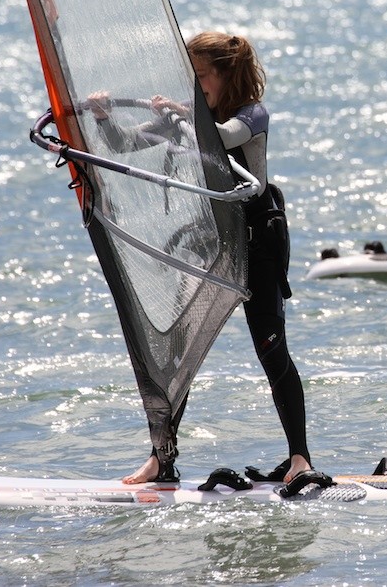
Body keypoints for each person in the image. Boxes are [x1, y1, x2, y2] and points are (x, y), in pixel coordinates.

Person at [118, 32, 312, 485]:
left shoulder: (252, 115)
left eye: (202, 75)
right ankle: (161, 458)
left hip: (259, 240)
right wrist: (106, 117)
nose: (195, 82)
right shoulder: (191, 118)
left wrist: (186, 116)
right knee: (179, 350)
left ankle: (300, 457)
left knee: (270, 345)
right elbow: (125, 144)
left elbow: (223, 137)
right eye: (192, 75)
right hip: (218, 240)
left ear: (226, 75)